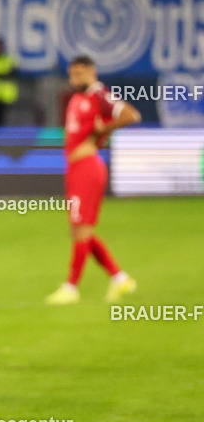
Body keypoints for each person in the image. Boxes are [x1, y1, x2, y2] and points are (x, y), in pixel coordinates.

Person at [45, 55, 140, 305]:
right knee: (79, 230)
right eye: (71, 74)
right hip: (75, 168)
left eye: (79, 74)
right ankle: (120, 279)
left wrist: (103, 130)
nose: (74, 79)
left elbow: (131, 115)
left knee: (82, 229)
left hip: (88, 168)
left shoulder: (100, 95)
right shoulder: (78, 98)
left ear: (91, 72)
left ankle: (71, 287)